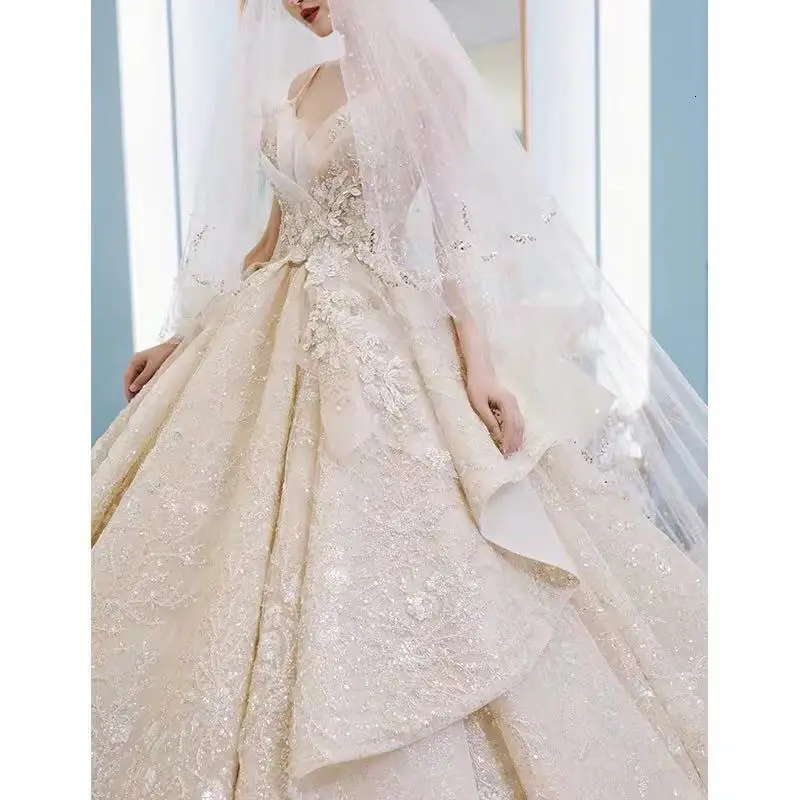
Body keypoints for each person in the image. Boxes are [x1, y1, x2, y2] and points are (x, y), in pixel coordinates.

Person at [92, 1, 708, 798]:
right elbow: (270, 242)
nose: (293, 2)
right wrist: (186, 338)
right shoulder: (300, 84)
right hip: (269, 324)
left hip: (381, 329)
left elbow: (456, 234)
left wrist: (478, 369)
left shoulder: (424, 79)